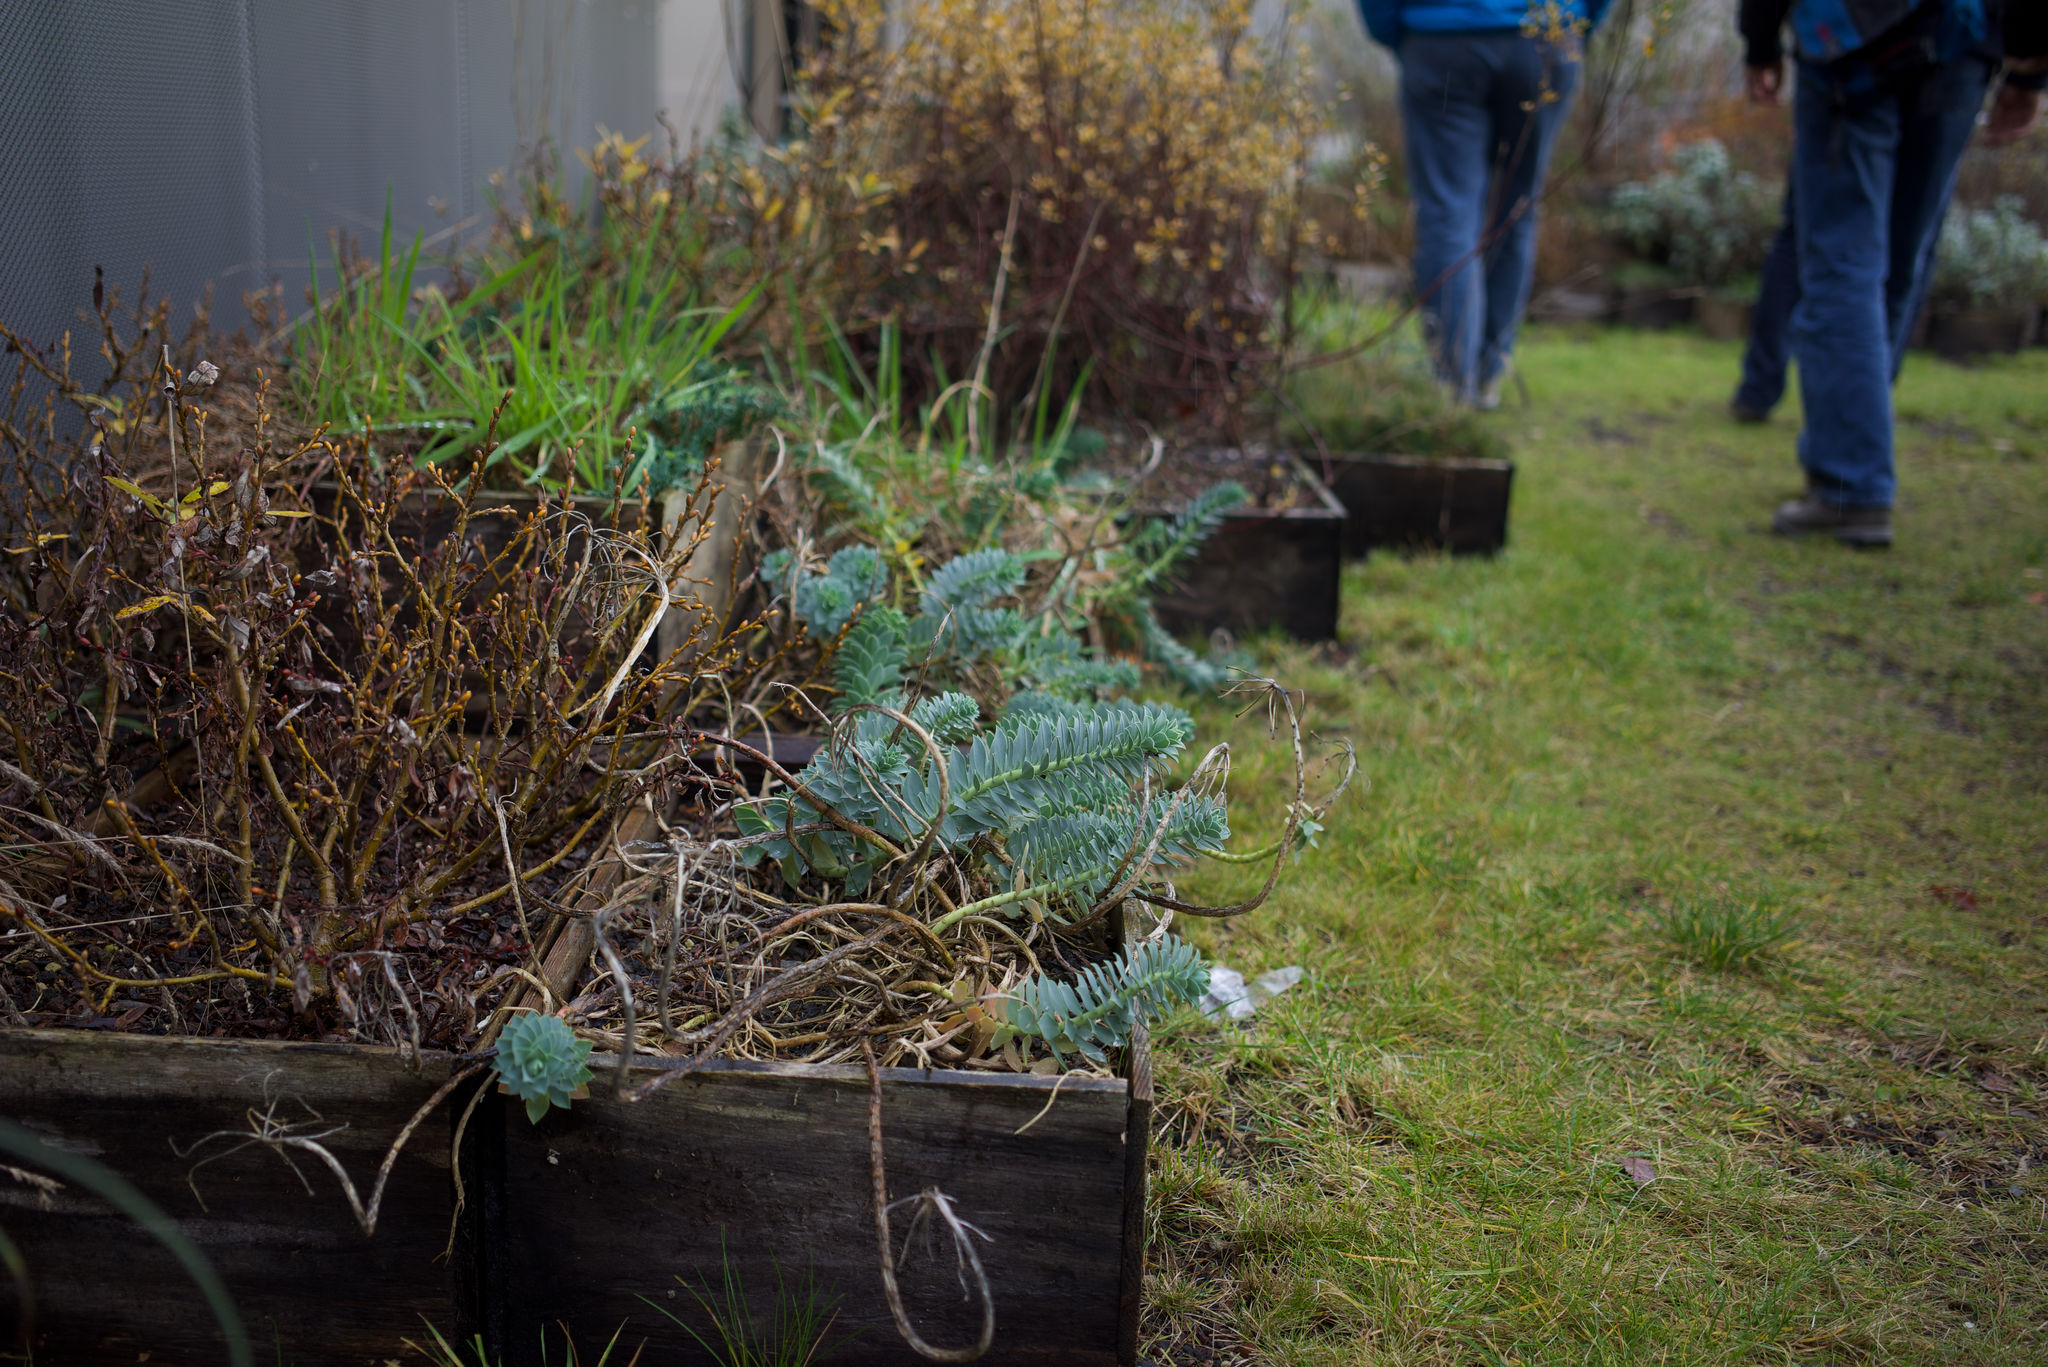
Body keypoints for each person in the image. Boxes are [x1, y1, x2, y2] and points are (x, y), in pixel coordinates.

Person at [1738, 0, 2045, 546]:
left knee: (1843, 262)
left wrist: (1760, 38)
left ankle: (1849, 480)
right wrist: (2028, 62)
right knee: (1901, 256)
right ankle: (1856, 452)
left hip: (1852, 39)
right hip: (1963, 36)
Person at [1358, 0, 1614, 409]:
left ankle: (1455, 383)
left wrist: (1405, 29)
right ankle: (1488, 375)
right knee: (1518, 211)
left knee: (1448, 214)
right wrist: (1575, 21)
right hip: (1545, 37)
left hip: (1441, 39)